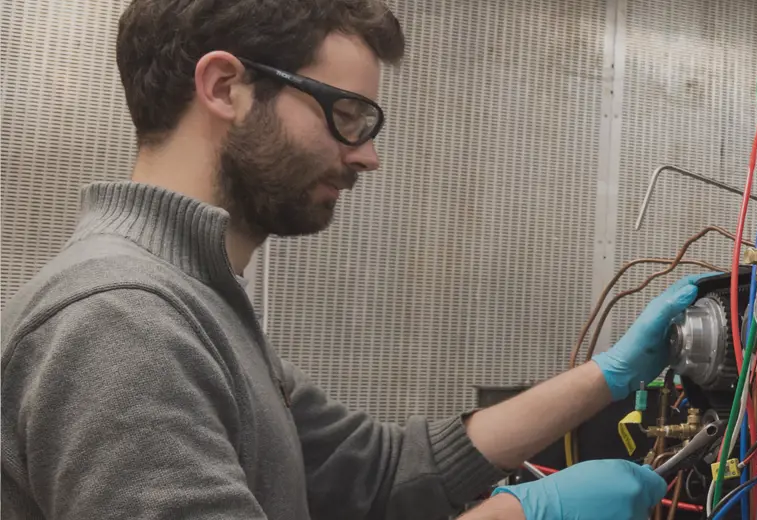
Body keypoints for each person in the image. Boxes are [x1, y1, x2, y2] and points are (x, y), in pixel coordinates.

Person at [0, 0, 700, 518]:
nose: (368, 154)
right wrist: (523, 514)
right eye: (346, 115)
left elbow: (380, 475)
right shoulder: (118, 323)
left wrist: (607, 378)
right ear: (223, 88)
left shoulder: (199, 300)